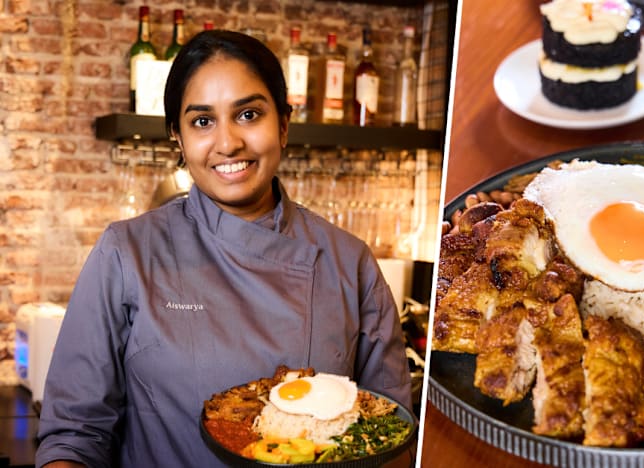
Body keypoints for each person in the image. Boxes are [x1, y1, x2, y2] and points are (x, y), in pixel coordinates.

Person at [35, 29, 412, 468]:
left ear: (283, 125)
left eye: (248, 114)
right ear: (177, 137)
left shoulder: (350, 262)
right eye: (202, 121)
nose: (229, 142)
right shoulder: (126, 252)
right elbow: (74, 437)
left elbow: (392, 438)